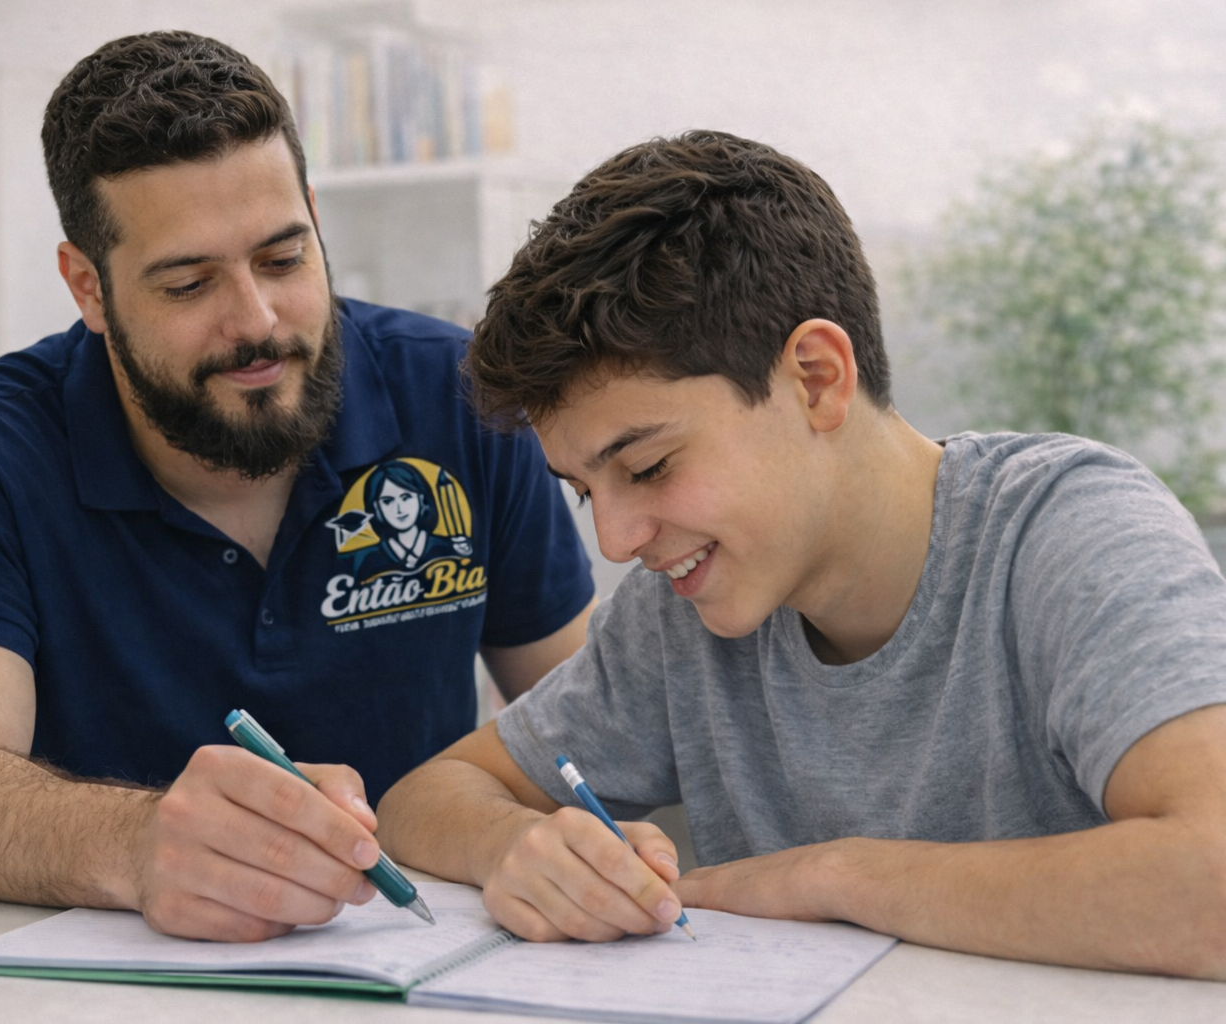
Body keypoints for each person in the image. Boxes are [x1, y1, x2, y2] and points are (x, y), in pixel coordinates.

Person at [376, 130, 1226, 979]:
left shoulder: (1068, 533)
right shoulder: (684, 611)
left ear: (817, 378)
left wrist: (836, 876)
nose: (617, 540)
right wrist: (516, 845)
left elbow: (1212, 887)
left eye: (649, 467)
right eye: (586, 490)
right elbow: (424, 799)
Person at [0, 31, 595, 943]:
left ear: (316, 220)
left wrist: (548, 845)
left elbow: (584, 728)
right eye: (190, 283)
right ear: (87, 285)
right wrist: (140, 842)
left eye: (284, 259)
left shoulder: (459, 398)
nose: (258, 321)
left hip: (422, 960)